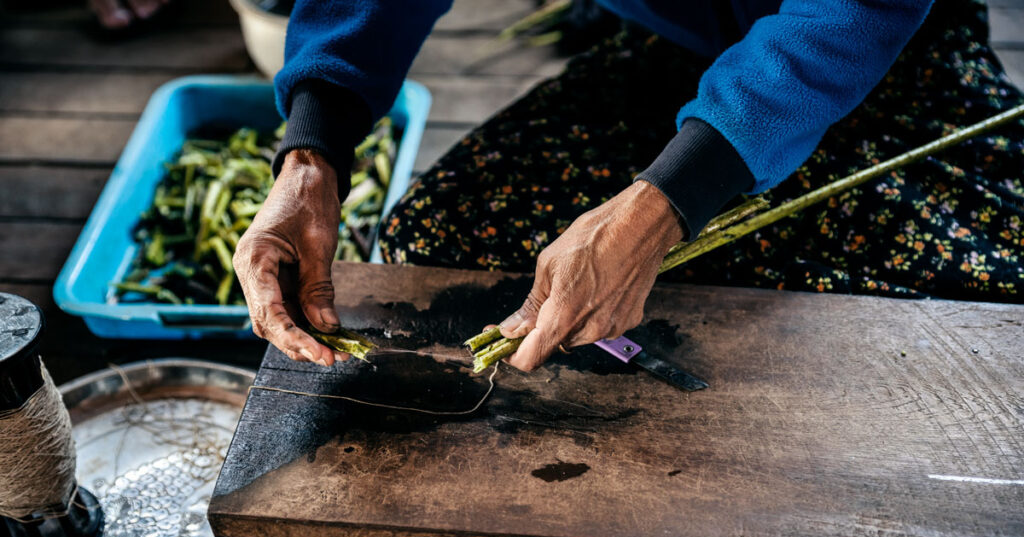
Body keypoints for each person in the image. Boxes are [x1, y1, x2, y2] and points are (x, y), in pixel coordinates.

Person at [233, 0, 1024, 371]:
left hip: (865, 49)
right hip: (681, 41)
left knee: (972, 327)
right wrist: (314, 150)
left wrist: (663, 204)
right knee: (435, 248)